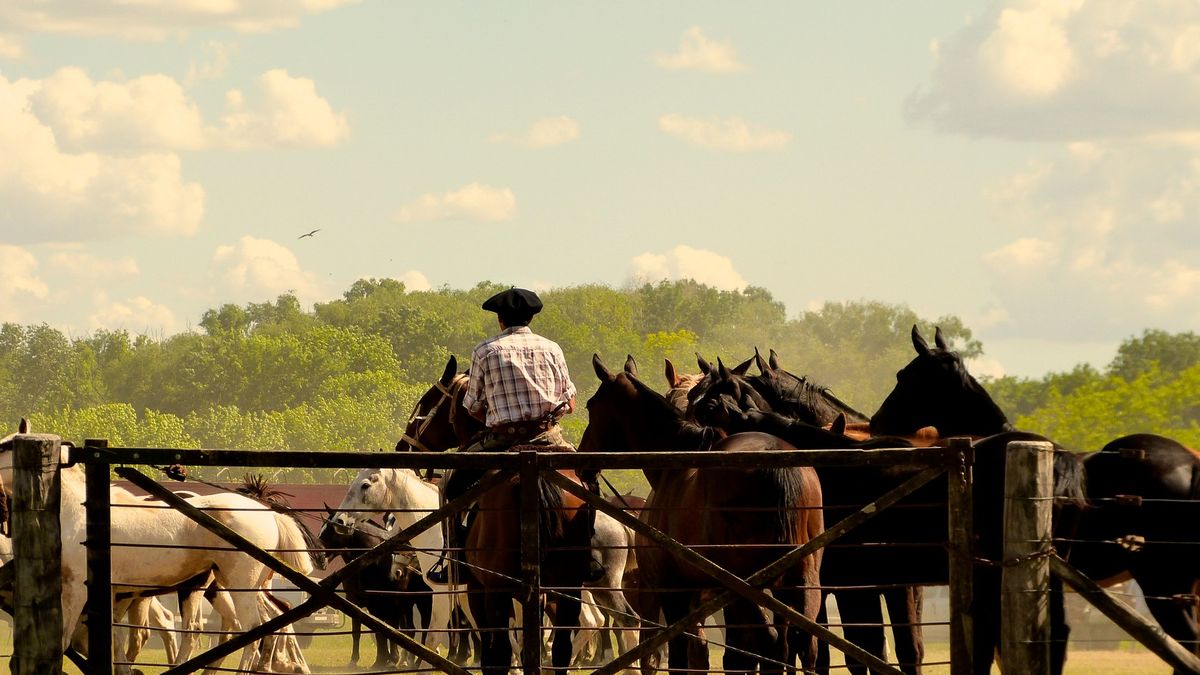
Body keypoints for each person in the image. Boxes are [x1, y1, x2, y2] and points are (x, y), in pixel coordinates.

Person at [426, 287, 604, 584]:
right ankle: (588, 551)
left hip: (502, 441)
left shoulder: (485, 350)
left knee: (451, 487)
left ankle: (455, 558)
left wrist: (497, 419)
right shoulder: (552, 348)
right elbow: (570, 403)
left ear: (500, 319)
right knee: (588, 481)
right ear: (531, 317)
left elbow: (472, 406)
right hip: (549, 438)